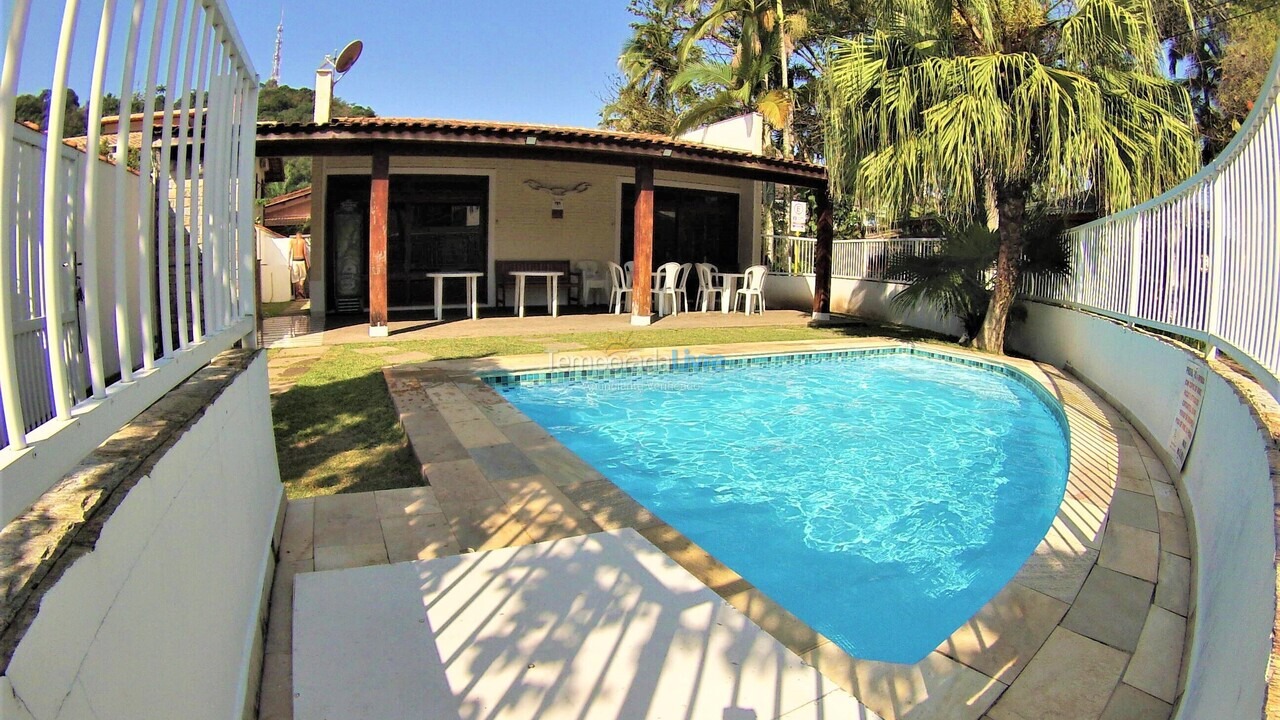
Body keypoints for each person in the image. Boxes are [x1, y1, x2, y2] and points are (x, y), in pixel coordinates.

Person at [289, 233, 310, 299]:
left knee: (295, 278)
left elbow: (289, 251)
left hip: (294, 260)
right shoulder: (303, 241)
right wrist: (307, 262)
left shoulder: (292, 241)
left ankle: (298, 292)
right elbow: (305, 253)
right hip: (301, 260)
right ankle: (300, 289)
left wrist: (288, 263)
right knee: (302, 276)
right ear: (300, 236)